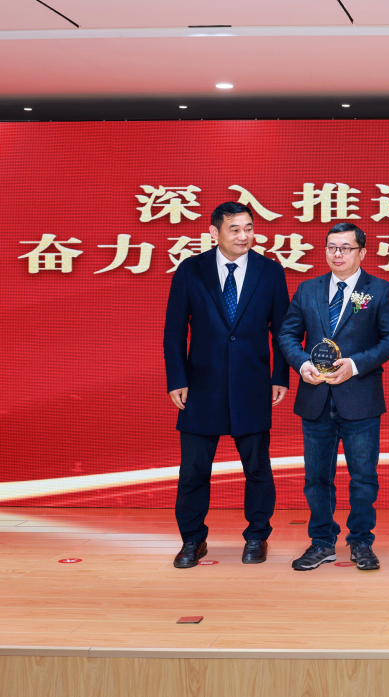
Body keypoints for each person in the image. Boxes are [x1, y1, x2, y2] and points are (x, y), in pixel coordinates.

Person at [163, 201, 290, 568]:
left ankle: (257, 536)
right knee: (194, 471)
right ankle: (192, 540)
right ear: (214, 232)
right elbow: (174, 331)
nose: (243, 236)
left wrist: (280, 376)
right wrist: (177, 379)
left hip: (252, 385)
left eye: (248, 228)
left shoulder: (270, 271)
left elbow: (282, 331)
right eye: (235, 229)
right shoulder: (191, 270)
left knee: (257, 468)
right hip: (201, 386)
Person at [276, 223, 389, 571]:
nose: (338, 254)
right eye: (332, 247)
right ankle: (321, 543)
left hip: (360, 398)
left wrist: (355, 365)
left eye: (346, 248)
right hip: (315, 397)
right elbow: (287, 335)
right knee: (316, 478)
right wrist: (302, 363)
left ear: (362, 252)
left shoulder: (380, 290)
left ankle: (361, 541)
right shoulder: (308, 289)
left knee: (363, 477)